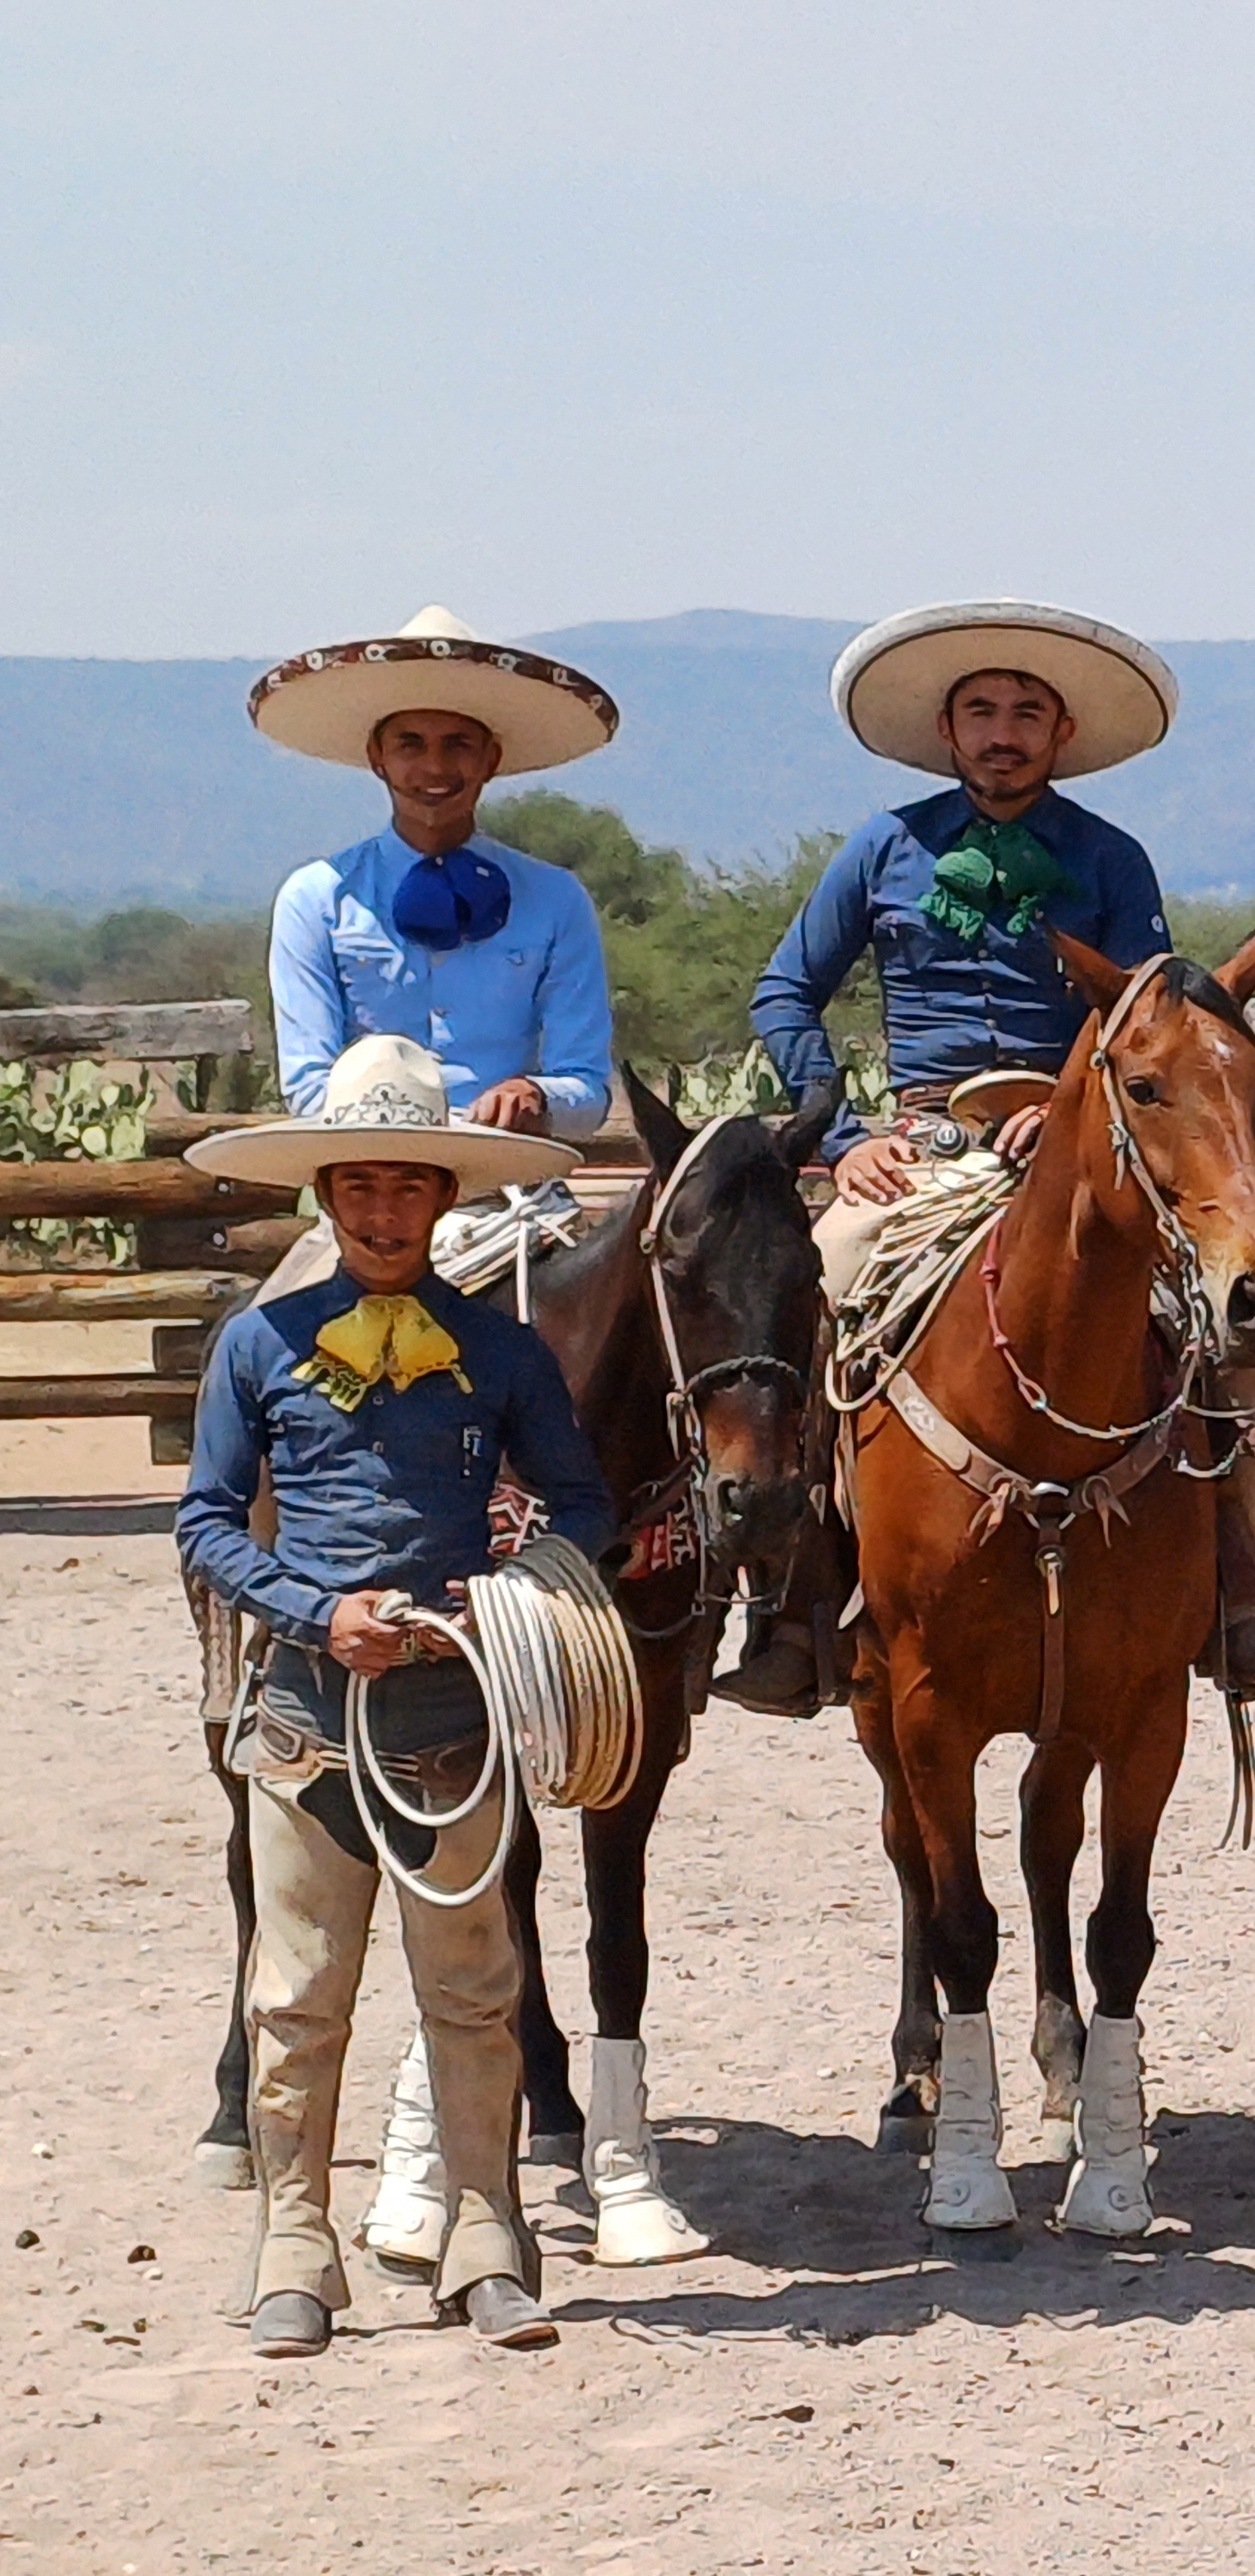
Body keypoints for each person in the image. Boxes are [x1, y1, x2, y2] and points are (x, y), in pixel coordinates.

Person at [748, 600, 1255, 1702]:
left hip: (1080, 1146)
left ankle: (1245, 1583)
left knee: (1242, 1317)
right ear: (948, 731)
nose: (1002, 734)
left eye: (1025, 714)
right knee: (818, 1286)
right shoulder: (882, 848)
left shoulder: (1109, 858)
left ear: (1060, 734)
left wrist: (1065, 1110)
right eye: (981, 713)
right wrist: (846, 1139)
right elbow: (785, 992)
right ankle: (801, 1593)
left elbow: (1150, 1018)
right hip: (921, 1149)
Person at [176, 1037, 618, 2360]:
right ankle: (296, 2248)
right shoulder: (258, 1345)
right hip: (307, 1723)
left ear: (443, 1196)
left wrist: (504, 1594)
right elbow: (206, 1521)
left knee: (472, 1991)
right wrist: (319, 1613)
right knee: (296, 1997)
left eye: (406, 1187)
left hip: (454, 1725)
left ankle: (486, 2241)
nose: (381, 1212)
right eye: (358, 1187)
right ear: (326, 1196)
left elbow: (583, 1503)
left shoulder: (500, 1352)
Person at [247, 605, 621, 1302]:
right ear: (378, 757)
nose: (434, 767)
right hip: (370, 1209)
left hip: (518, 1209)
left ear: (490, 759)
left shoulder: (556, 900)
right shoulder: (316, 898)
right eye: (411, 743)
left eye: (457, 744)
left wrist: (537, 1097)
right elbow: (308, 1086)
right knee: (257, 1344)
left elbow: (587, 1088)